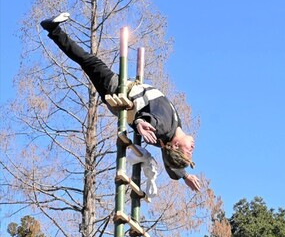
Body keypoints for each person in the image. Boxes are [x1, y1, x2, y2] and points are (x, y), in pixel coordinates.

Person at [40, 13, 201, 192]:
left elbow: (152, 120)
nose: (193, 148)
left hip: (118, 90)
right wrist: (185, 175)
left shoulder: (164, 128)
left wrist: (140, 123)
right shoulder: (172, 131)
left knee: (88, 61)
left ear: (176, 145)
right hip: (124, 92)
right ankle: (54, 30)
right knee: (87, 62)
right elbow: (170, 164)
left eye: (189, 151)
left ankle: (54, 30)